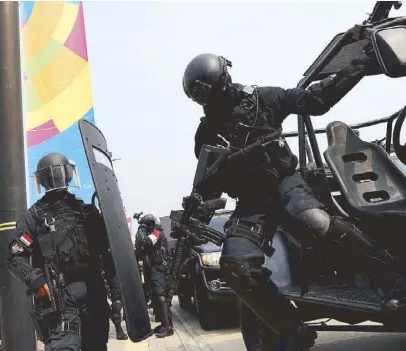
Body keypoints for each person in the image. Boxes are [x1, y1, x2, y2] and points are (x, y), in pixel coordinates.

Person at [181, 50, 400, 346]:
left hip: (285, 184)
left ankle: (392, 275)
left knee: (315, 220)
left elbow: (316, 100)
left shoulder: (264, 100)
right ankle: (290, 328)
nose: (205, 100)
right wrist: (197, 208)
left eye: (205, 91)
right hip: (251, 204)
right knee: (236, 265)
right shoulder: (206, 134)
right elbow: (211, 184)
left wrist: (360, 65)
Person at [7, 153, 116, 351]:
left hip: (92, 293)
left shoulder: (87, 211)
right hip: (59, 297)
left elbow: (108, 252)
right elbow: (15, 257)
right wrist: (37, 280)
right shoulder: (34, 216)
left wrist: (117, 293)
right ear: (69, 174)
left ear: (40, 180)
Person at [134, 214, 173, 338]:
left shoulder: (156, 233)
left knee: (161, 297)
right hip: (152, 269)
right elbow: (140, 248)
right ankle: (164, 323)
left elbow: (145, 242)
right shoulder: (152, 233)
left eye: (146, 225)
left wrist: (140, 230)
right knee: (157, 297)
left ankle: (167, 327)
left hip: (158, 268)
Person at [102, 253, 129, 340]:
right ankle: (118, 329)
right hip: (104, 265)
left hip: (117, 264)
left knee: (119, 298)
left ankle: (119, 329)